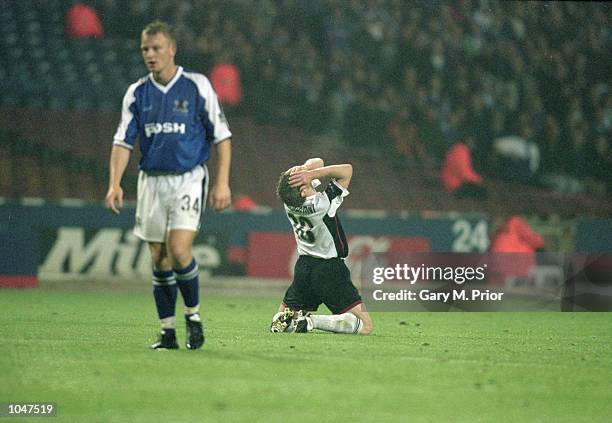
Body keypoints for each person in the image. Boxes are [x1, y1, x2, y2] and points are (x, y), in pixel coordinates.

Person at [105, 20, 232, 350]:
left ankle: (193, 317)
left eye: (156, 48)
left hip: (188, 178)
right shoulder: (137, 92)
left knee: (178, 249)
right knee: (159, 257)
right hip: (151, 182)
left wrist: (221, 183)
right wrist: (114, 183)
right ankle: (167, 332)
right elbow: (122, 141)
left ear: (172, 49)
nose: (150, 54)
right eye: (145, 49)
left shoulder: (196, 85)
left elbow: (222, 137)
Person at [270, 158, 372, 335]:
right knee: (365, 326)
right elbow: (347, 170)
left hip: (304, 268)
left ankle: (288, 318)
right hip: (329, 270)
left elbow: (318, 161)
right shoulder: (323, 203)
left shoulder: (289, 202)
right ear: (303, 190)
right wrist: (310, 173)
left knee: (284, 318)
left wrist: (304, 169)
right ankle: (311, 321)